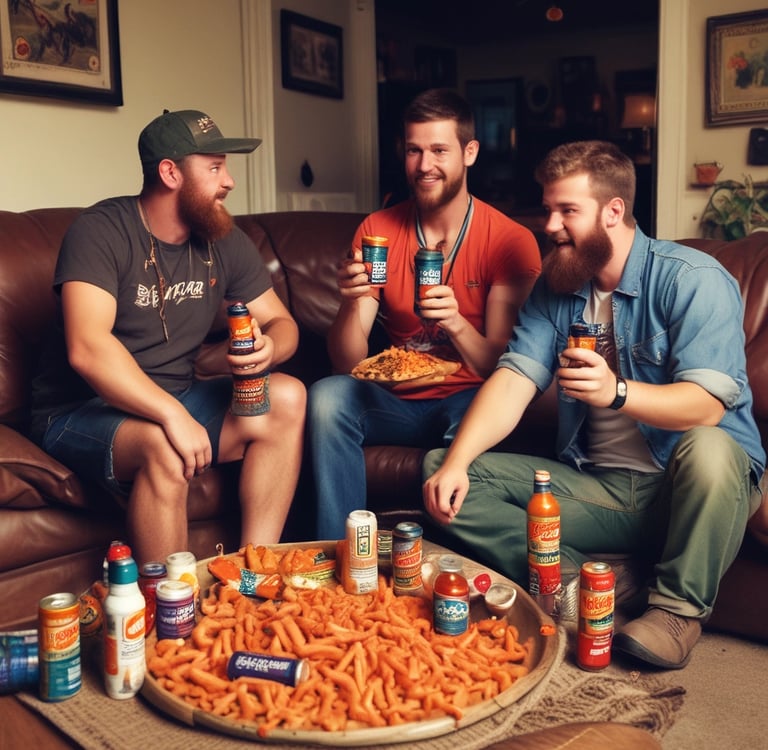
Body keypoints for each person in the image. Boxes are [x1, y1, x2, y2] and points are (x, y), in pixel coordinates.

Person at [423, 140, 765, 669]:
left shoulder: (692, 281)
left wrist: (617, 392)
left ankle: (676, 613)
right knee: (445, 471)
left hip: (687, 487)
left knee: (711, 448)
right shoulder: (557, 287)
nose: (550, 225)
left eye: (567, 211)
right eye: (548, 209)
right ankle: (594, 582)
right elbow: (515, 376)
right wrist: (457, 462)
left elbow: (705, 407)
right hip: (600, 487)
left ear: (613, 211)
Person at [29, 109, 306, 565]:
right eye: (215, 168)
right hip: (79, 410)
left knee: (289, 396)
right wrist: (171, 414)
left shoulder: (221, 237)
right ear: (170, 172)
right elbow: (87, 348)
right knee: (165, 444)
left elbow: (284, 323)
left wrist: (271, 347)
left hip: (176, 395)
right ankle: (173, 616)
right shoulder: (100, 231)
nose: (229, 181)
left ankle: (254, 572)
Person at [307, 88, 541, 541]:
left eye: (439, 150)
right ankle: (341, 552)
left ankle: (454, 563)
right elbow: (345, 361)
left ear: (469, 152)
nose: (424, 165)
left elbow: (505, 369)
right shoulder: (377, 230)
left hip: (468, 397)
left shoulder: (508, 240)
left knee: (481, 418)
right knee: (327, 396)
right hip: (394, 397)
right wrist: (352, 302)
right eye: (414, 150)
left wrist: (455, 322)